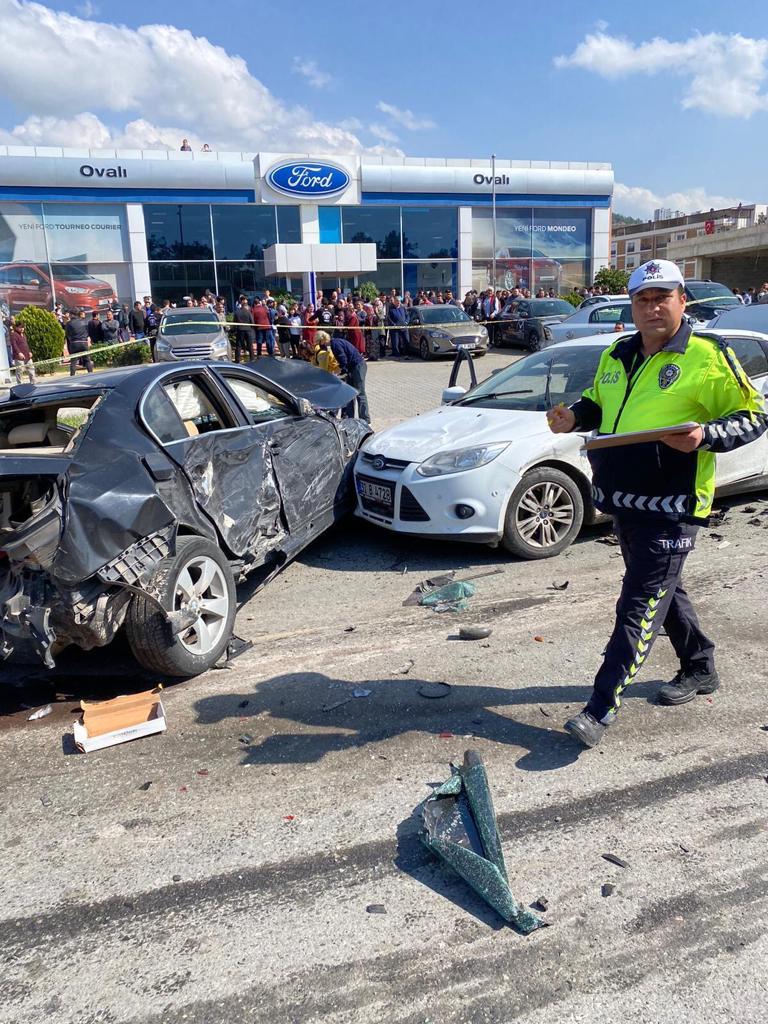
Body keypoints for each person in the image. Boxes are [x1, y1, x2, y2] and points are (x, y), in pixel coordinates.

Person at [547, 258, 768, 749]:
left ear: (682, 300)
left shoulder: (709, 355)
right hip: (623, 498)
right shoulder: (618, 352)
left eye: (662, 297)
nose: (652, 308)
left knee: (638, 602)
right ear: (632, 305)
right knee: (664, 592)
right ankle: (700, 665)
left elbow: (754, 416)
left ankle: (600, 708)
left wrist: (706, 435)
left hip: (673, 503)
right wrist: (574, 416)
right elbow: (603, 404)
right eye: (643, 299)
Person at [65, 310, 94, 375]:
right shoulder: (84, 322)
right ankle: (91, 374)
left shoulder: (69, 323)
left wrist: (71, 339)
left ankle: (72, 376)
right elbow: (87, 332)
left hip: (74, 343)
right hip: (84, 342)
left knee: (73, 362)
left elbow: (67, 334)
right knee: (87, 360)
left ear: (72, 315)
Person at [232, 297, 255, 362]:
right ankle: (252, 358)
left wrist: (233, 330)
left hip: (240, 330)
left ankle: (237, 360)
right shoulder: (248, 312)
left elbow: (234, 322)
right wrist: (252, 329)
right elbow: (252, 321)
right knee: (250, 345)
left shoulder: (237, 312)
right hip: (248, 330)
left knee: (238, 345)